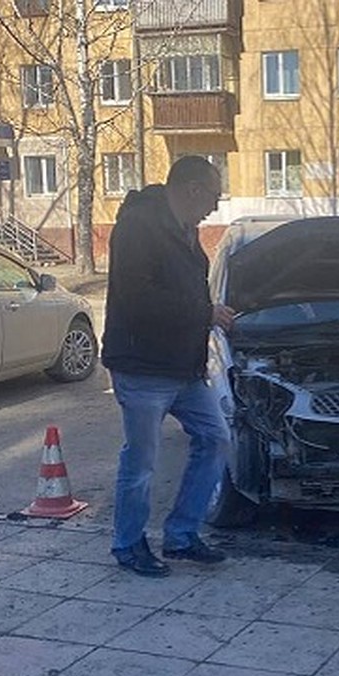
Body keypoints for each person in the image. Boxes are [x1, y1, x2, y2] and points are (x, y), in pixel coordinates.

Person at [101, 156, 235, 577]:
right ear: (192, 189)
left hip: (183, 368)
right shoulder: (139, 227)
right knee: (141, 461)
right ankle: (127, 545)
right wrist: (204, 313)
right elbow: (139, 299)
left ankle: (181, 535)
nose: (214, 206)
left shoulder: (185, 230)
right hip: (142, 367)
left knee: (215, 438)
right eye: (213, 195)